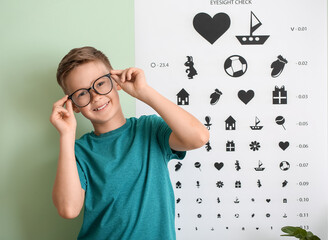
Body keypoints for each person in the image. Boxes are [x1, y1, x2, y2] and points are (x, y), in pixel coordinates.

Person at [50, 46, 209, 240]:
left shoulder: (150, 129)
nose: (95, 96)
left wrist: (144, 92)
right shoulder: (78, 152)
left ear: (115, 82)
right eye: (82, 93)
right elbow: (68, 209)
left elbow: (199, 137)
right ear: (73, 105)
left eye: (100, 83)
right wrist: (66, 135)